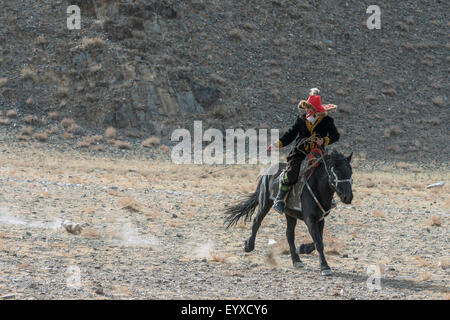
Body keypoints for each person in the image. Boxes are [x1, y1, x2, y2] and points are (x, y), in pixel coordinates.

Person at [267, 88, 340, 213]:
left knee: (326, 173)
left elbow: (336, 135)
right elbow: (290, 135)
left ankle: (329, 199)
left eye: (309, 107)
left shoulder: (327, 121)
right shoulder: (301, 120)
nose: (306, 109)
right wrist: (276, 145)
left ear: (315, 109)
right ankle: (279, 199)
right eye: (306, 107)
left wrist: (324, 141)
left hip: (318, 153)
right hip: (300, 152)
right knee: (292, 172)